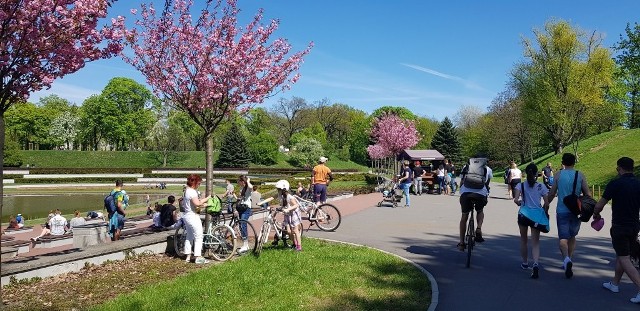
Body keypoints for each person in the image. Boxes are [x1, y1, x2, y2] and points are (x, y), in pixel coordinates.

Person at [592, 157, 640, 303]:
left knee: (625, 258)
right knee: (622, 254)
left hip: (620, 226)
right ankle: (615, 284)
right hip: (634, 225)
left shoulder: (615, 184)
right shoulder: (638, 184)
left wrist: (596, 214)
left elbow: (600, 205)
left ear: (619, 168)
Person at [548, 153, 591, 279]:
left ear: (563, 162)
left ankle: (566, 259)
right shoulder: (580, 175)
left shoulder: (558, 175)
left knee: (563, 237)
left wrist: (546, 205)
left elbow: (552, 193)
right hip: (576, 210)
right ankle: (570, 258)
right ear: (574, 162)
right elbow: (587, 193)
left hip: (562, 209)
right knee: (572, 236)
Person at [512, 163, 550, 279]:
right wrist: (544, 211)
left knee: (523, 240)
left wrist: (519, 203)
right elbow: (547, 203)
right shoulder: (541, 186)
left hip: (523, 214)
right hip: (536, 216)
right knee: (535, 242)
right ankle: (535, 264)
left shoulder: (520, 185)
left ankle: (524, 262)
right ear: (536, 174)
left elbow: (516, 199)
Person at [458, 156, 493, 251]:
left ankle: (461, 243)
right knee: (480, 210)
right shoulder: (487, 169)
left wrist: (461, 192)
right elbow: (487, 183)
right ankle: (478, 228)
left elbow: (462, 181)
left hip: (466, 194)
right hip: (480, 194)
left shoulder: (466, 166)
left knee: (464, 216)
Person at [182, 174, 211, 264]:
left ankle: (187, 255)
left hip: (187, 215)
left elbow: (196, 203)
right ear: (194, 182)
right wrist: (206, 201)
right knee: (199, 235)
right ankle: (198, 256)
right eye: (198, 183)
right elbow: (197, 203)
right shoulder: (192, 192)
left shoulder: (186, 191)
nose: (199, 184)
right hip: (193, 216)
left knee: (189, 236)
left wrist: (204, 201)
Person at [275, 179, 303, 251]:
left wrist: (288, 209)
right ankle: (295, 243)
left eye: (279, 189)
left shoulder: (289, 197)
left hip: (293, 214)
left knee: (295, 230)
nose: (278, 191)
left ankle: (299, 247)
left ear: (283, 189)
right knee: (288, 231)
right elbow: (284, 205)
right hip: (287, 214)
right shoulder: (281, 196)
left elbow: (296, 205)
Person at [235, 175, 253, 253]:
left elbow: (251, 186)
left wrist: (248, 181)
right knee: (241, 225)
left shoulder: (248, 188)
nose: (238, 183)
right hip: (241, 207)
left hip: (246, 208)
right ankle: (245, 244)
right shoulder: (242, 188)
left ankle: (245, 245)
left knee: (243, 224)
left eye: (239, 181)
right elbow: (241, 198)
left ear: (242, 181)